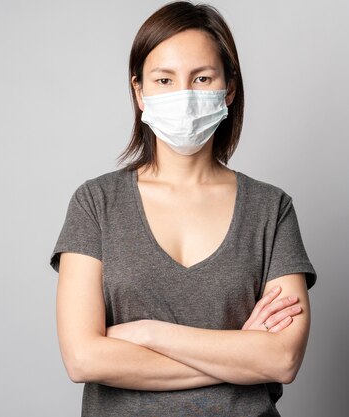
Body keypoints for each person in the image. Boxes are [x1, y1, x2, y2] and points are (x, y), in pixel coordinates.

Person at [48, 2, 317, 416]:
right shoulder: (95, 203)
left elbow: (281, 359)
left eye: (202, 78)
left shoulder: (271, 209)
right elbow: (84, 358)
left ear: (228, 88)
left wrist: (148, 333)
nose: (184, 96)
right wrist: (239, 356)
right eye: (164, 79)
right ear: (139, 92)